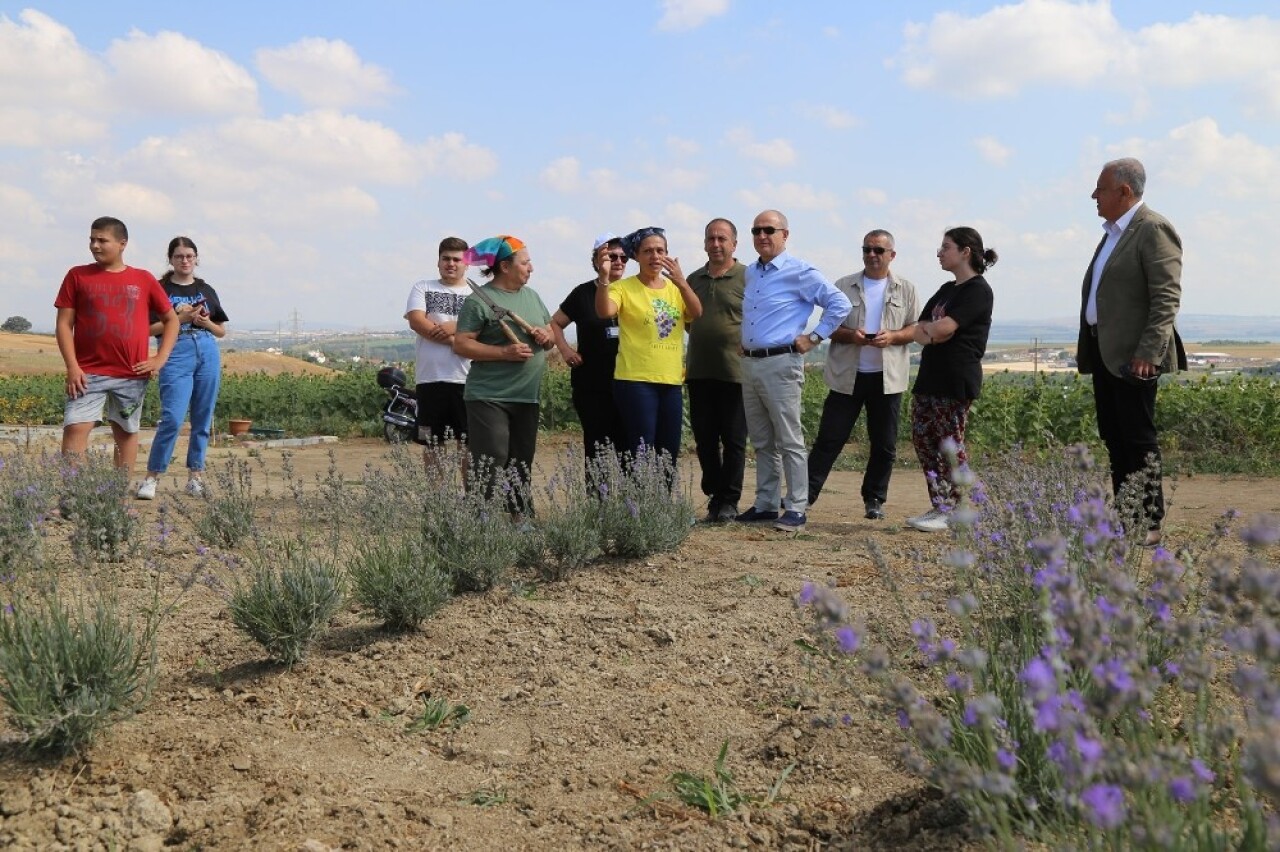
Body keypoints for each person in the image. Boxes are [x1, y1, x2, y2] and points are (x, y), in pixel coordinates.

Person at [1077, 157, 1186, 547]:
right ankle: (1128, 517)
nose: (1094, 195)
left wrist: (1149, 352)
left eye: (1101, 188)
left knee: (1138, 438)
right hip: (1106, 351)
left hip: (1135, 356)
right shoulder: (1114, 233)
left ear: (1125, 191)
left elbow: (1166, 297)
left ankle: (1149, 522)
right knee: (1115, 436)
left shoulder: (1152, 229)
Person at [736, 210, 852, 533]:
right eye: (756, 230)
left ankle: (797, 507)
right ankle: (766, 504)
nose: (762, 236)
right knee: (762, 440)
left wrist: (815, 337)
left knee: (789, 439)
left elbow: (840, 303)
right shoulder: (752, 274)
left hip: (782, 363)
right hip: (751, 363)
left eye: (769, 230)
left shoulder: (800, 272)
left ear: (785, 235)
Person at [807, 229, 919, 520]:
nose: (872, 255)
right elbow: (828, 326)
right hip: (848, 377)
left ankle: (874, 499)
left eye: (878, 250)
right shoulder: (843, 285)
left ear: (891, 255)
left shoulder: (905, 289)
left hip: (887, 378)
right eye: (867, 249)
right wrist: (852, 336)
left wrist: (892, 337)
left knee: (884, 444)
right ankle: (804, 496)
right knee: (829, 439)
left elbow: (915, 329)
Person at [55, 217, 179, 476]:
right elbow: (65, 325)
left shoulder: (143, 279)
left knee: (125, 433)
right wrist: (72, 367)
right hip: (86, 372)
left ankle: (119, 498)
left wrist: (159, 359)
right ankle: (71, 499)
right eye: (92, 239)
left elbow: (171, 320)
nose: (95, 245)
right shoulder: (77, 275)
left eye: (102, 240)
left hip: (131, 373)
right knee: (75, 429)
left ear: (122, 244)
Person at [452, 235, 554, 516]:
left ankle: (520, 517)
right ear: (505, 267)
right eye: (526, 262)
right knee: (491, 457)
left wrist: (547, 335)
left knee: (521, 460)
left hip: (527, 395)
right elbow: (462, 343)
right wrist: (504, 353)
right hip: (489, 395)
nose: (531, 267)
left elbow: (551, 334)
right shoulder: (478, 301)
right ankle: (480, 519)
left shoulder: (532, 297)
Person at [906, 227, 996, 533]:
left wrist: (934, 331)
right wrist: (933, 331)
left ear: (965, 251)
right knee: (923, 441)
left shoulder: (978, 291)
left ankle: (957, 509)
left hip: (955, 379)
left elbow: (942, 329)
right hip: (929, 377)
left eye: (946, 247)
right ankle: (940, 506)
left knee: (948, 444)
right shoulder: (946, 289)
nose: (939, 252)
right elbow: (920, 329)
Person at [594, 226, 702, 464]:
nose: (655, 256)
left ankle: (662, 501)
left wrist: (682, 283)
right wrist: (603, 279)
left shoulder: (676, 289)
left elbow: (696, 312)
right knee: (641, 450)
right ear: (637, 256)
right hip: (635, 381)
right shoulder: (622, 287)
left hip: (671, 380)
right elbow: (605, 311)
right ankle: (639, 501)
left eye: (660, 250)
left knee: (668, 451)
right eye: (648, 251)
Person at [137, 237, 229, 499]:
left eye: (189, 256)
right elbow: (147, 328)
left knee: (203, 417)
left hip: (207, 350)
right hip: (176, 351)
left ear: (196, 258)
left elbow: (221, 331)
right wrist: (179, 319)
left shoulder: (206, 289)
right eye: (179, 256)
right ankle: (152, 477)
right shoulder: (160, 288)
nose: (185, 261)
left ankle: (195, 476)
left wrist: (203, 321)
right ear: (171, 259)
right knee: (173, 418)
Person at [686, 218, 747, 523]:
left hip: (735, 373)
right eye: (711, 238)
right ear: (705, 242)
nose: (716, 244)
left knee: (734, 440)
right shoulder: (693, 279)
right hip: (698, 372)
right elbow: (685, 319)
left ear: (734, 244)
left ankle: (729, 501)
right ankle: (714, 494)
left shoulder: (748, 277)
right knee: (706, 439)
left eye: (722, 239)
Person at [550, 233, 628, 462]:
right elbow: (555, 323)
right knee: (597, 449)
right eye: (611, 256)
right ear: (596, 261)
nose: (618, 262)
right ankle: (597, 498)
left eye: (624, 258)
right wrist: (565, 350)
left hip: (628, 382)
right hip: (592, 384)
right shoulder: (582, 293)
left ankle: (631, 499)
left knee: (629, 451)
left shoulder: (632, 290)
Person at [405, 236, 472, 476]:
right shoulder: (423, 287)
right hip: (430, 380)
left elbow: (483, 330)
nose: (451, 264)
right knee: (432, 444)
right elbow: (417, 321)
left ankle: (471, 501)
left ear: (467, 264)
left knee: (469, 445)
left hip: (469, 381)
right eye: (446, 258)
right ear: (438, 261)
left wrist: (453, 328)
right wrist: (459, 340)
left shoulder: (478, 295)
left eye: (457, 259)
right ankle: (438, 501)